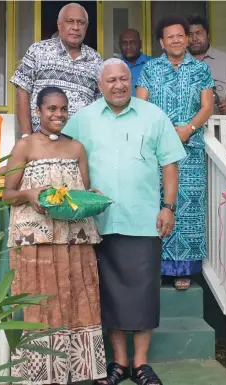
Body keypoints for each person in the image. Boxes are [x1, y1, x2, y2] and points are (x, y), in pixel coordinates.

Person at [63, 58, 186, 385]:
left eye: (123, 79)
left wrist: (168, 207)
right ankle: (118, 364)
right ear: (100, 85)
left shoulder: (153, 115)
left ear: (130, 82)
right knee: (112, 296)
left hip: (144, 219)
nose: (118, 85)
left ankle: (141, 364)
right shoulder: (84, 119)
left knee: (144, 294)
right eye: (111, 80)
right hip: (99, 222)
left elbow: (170, 164)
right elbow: (61, 151)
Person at [3, 87, 106, 385]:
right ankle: (41, 373)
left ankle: (83, 369)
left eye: (62, 109)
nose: (58, 114)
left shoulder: (76, 148)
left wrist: (92, 196)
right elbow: (6, 194)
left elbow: (81, 194)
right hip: (37, 241)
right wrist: (28, 193)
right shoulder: (25, 146)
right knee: (42, 304)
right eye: (51, 109)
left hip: (75, 239)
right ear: (38, 111)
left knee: (79, 300)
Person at [136, 15, 214, 290]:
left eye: (181, 35)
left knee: (189, 208)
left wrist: (188, 128)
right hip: (156, 150)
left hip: (189, 149)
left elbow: (207, 106)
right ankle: (155, 267)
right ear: (162, 42)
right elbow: (141, 105)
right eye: (171, 36)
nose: (177, 40)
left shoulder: (201, 70)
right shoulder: (150, 70)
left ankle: (183, 270)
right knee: (156, 205)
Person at [10, 3, 102, 135]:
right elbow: (22, 92)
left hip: (80, 143)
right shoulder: (38, 50)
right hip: (41, 142)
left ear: (86, 27)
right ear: (59, 25)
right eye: (70, 21)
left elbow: (100, 103)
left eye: (81, 23)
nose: (75, 27)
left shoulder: (95, 59)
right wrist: (26, 136)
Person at [186, 14, 226, 115]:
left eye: (199, 33)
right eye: (189, 34)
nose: (194, 38)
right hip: (186, 127)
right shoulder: (177, 62)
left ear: (208, 34)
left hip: (220, 126)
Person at [119, 29, 152, 96]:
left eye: (132, 42)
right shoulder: (113, 67)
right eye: (125, 43)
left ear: (140, 44)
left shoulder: (154, 64)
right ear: (119, 45)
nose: (128, 46)